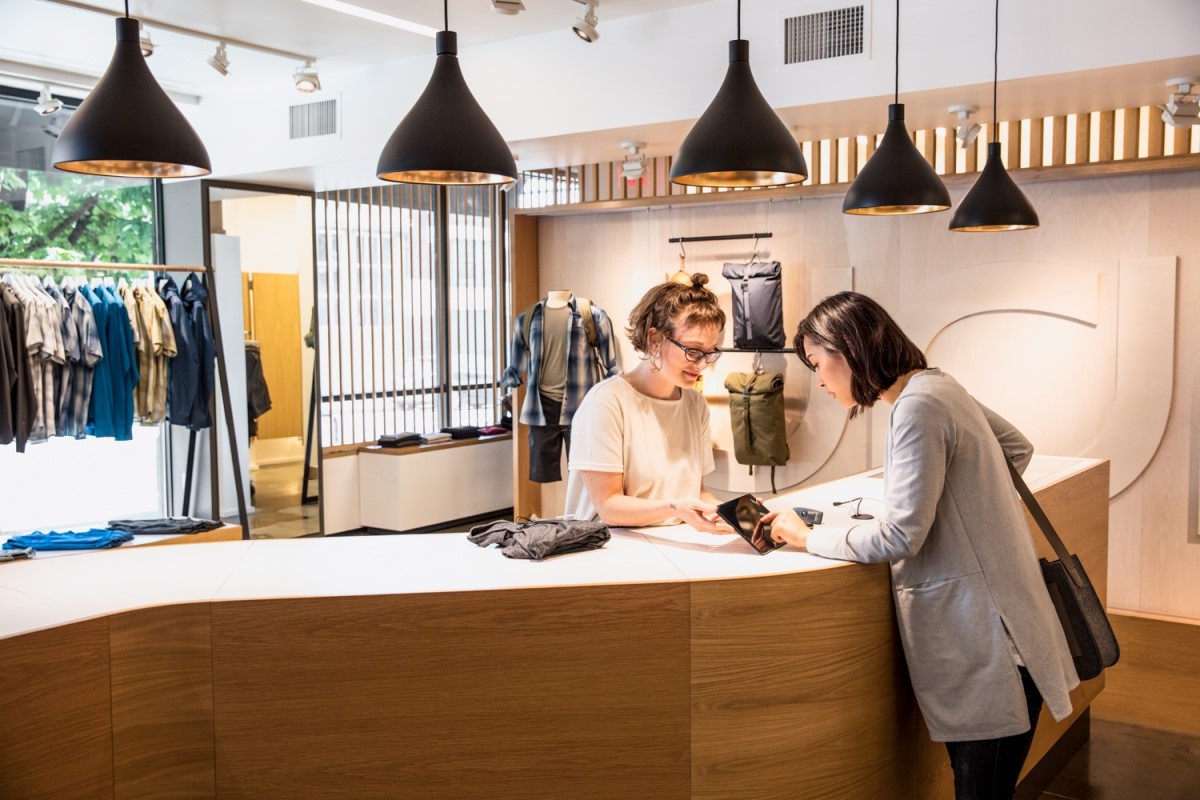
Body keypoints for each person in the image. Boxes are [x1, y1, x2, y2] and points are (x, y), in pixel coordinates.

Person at [762, 291, 1080, 800]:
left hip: (989, 646)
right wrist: (963, 508)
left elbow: (899, 535)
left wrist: (807, 537)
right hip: (1008, 636)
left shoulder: (915, 409)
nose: (818, 381)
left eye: (818, 364)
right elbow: (1015, 447)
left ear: (847, 346)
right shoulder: (938, 386)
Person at [564, 274, 732, 533]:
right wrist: (675, 509)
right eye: (693, 350)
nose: (701, 365)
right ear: (655, 339)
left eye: (710, 353)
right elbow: (609, 507)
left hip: (674, 543)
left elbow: (697, 492)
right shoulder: (606, 403)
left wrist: (731, 514)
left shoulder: (695, 405)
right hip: (610, 549)